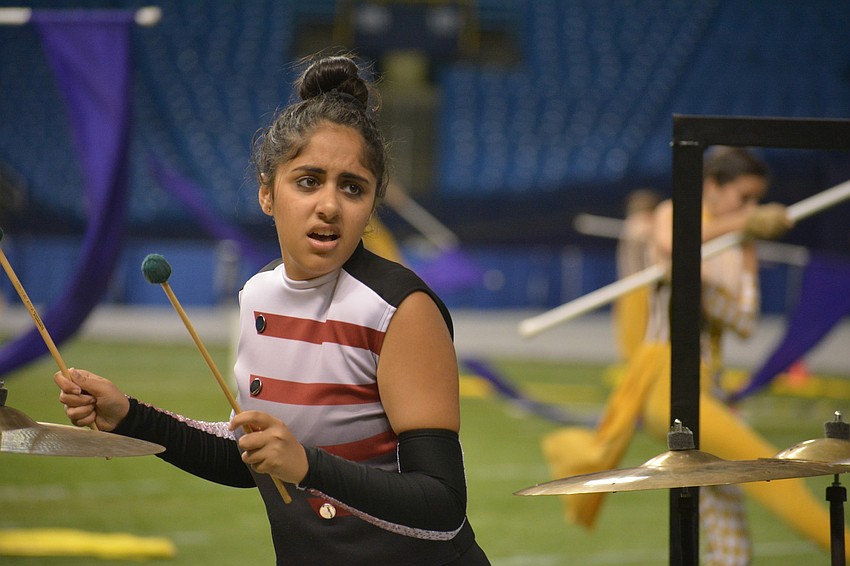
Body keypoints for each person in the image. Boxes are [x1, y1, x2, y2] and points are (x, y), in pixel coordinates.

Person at [54, 54, 489, 565]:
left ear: (371, 205)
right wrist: (130, 416)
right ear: (267, 192)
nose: (329, 204)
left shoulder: (400, 309)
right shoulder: (258, 295)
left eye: (353, 187)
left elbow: (440, 506)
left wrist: (307, 465)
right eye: (308, 180)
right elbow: (250, 458)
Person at [542, 147, 847, 565]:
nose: (751, 208)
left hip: (710, 388)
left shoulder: (743, 244)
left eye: (757, 201)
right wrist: (734, 234)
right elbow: (671, 241)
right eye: (744, 198)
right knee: (777, 478)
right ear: (712, 187)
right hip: (667, 388)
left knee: (727, 515)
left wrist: (702, 283)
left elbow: (743, 322)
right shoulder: (676, 215)